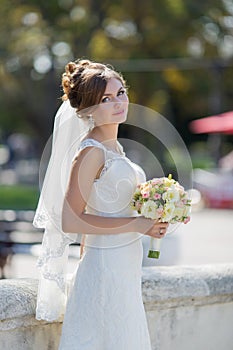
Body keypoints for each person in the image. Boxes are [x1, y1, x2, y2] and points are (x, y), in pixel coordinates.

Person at [34, 59, 168, 350]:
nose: (119, 102)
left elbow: (106, 209)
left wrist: (155, 214)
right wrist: (136, 224)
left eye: (121, 93)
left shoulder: (115, 150)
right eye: (106, 99)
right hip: (105, 270)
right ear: (88, 110)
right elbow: (70, 220)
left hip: (123, 267)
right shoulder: (91, 153)